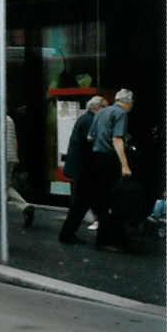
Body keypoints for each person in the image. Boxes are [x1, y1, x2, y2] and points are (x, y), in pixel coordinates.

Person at [87, 88, 134, 252]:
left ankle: (102, 240)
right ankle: (112, 241)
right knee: (115, 202)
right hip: (110, 160)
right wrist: (125, 165)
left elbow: (90, 136)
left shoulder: (101, 112)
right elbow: (117, 139)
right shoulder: (121, 113)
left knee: (103, 200)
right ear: (128, 102)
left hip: (97, 159)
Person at [58, 95, 106, 244]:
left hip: (83, 170)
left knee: (86, 204)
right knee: (82, 204)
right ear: (97, 108)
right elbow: (91, 146)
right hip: (85, 170)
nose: (107, 110)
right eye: (105, 106)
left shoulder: (85, 119)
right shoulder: (90, 121)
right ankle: (67, 234)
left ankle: (69, 234)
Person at [0, 97, 35, 228]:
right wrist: (16, 156)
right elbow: (15, 140)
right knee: (4, 185)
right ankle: (25, 206)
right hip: (11, 157)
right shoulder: (9, 119)